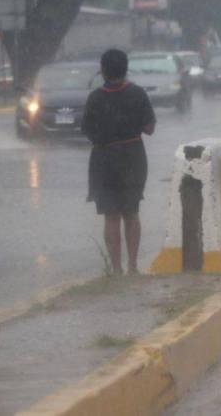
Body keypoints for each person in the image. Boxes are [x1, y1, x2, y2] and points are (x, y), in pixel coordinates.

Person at [82, 49, 156, 275]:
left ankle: (116, 269)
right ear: (125, 69)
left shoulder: (95, 98)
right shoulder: (137, 94)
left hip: (103, 160)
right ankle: (133, 266)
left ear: (103, 70)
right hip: (133, 157)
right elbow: (150, 128)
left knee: (111, 215)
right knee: (131, 212)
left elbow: (86, 130)